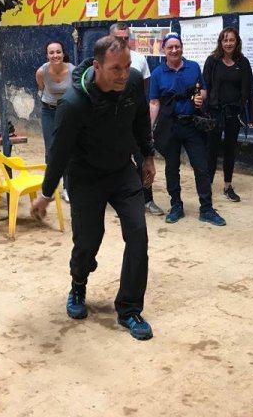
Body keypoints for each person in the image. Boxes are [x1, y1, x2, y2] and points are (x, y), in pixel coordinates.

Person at [30, 35, 156, 340]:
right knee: (88, 241)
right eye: (116, 69)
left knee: (138, 235)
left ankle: (129, 309)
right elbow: (59, 152)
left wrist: (148, 156)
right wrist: (46, 194)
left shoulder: (132, 82)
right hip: (86, 177)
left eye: (127, 66)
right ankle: (78, 285)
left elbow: (141, 119)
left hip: (121, 171)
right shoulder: (73, 103)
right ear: (97, 67)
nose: (124, 74)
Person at [148, 33, 226, 227]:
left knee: (201, 167)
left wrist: (200, 98)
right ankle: (176, 206)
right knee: (171, 168)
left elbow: (203, 90)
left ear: (182, 47)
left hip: (192, 125)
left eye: (177, 46)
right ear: (164, 50)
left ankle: (206, 209)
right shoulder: (157, 73)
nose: (174, 50)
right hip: (170, 126)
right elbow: (154, 102)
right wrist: (149, 129)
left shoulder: (193, 67)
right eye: (170, 47)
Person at [109, 22, 164, 216]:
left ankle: (147, 200)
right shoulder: (103, 60)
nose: (123, 41)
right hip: (113, 122)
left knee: (144, 160)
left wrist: (141, 117)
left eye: (126, 38)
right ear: (110, 39)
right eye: (119, 38)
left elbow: (144, 89)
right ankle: (120, 201)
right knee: (116, 162)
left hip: (135, 120)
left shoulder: (140, 59)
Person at [203, 26, 253, 202]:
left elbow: (250, 90)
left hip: (234, 113)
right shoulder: (212, 61)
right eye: (225, 40)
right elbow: (205, 87)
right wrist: (202, 111)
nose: (228, 43)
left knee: (230, 150)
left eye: (231, 40)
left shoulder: (243, 63)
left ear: (237, 42)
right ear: (220, 42)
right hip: (214, 112)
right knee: (211, 149)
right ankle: (207, 186)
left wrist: (252, 115)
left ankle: (227, 186)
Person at [36, 40, 74, 202]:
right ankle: (49, 188)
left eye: (58, 52)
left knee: (67, 149)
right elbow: (41, 88)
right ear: (47, 55)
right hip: (49, 110)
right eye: (51, 53)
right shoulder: (41, 72)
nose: (55, 55)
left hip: (68, 112)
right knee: (51, 150)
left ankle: (67, 188)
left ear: (63, 54)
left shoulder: (73, 70)